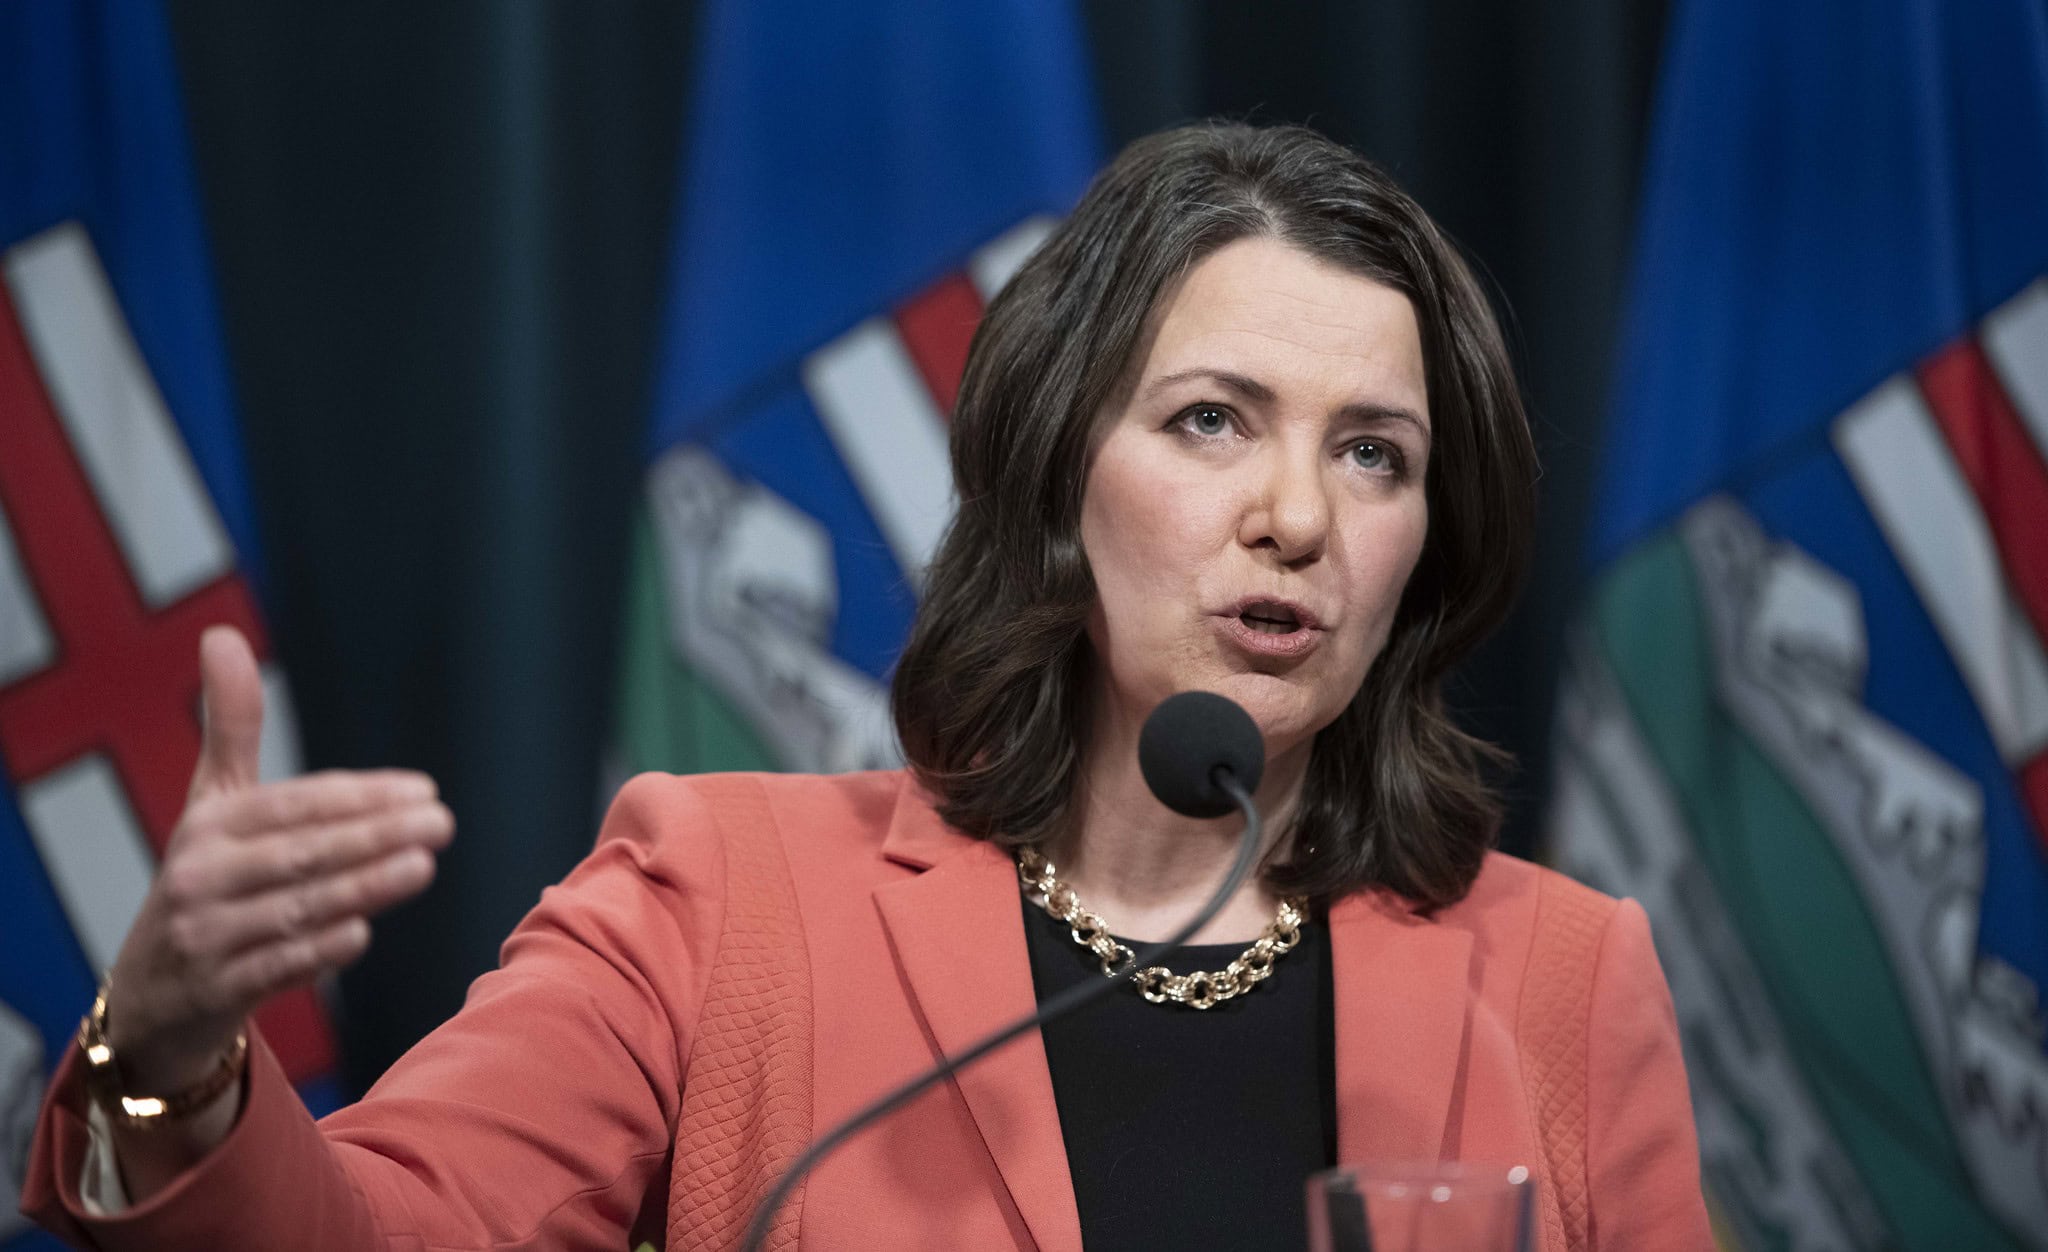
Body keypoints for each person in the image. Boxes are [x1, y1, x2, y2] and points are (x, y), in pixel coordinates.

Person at [23, 123, 1713, 1251]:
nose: (1296, 517)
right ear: (1059, 472)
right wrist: (171, 1058)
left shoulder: (1564, 981)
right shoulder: (721, 902)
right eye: (1215, 420)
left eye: (1375, 456)